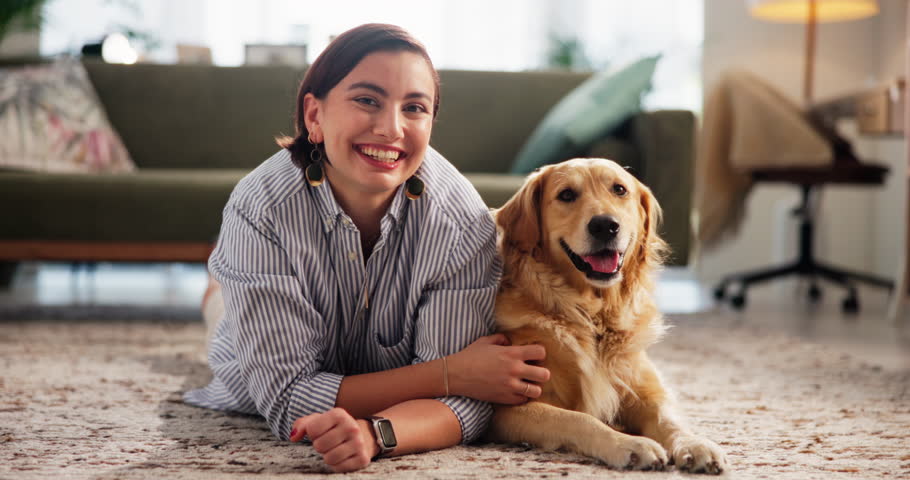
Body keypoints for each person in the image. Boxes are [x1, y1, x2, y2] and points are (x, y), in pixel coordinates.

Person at [184, 23, 550, 473]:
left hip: (373, 368)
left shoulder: (462, 225)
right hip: (248, 351)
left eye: (414, 108)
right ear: (315, 117)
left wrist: (377, 433)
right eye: (367, 100)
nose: (391, 128)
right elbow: (285, 398)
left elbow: (471, 402)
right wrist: (449, 372)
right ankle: (218, 286)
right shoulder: (260, 208)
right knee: (221, 318)